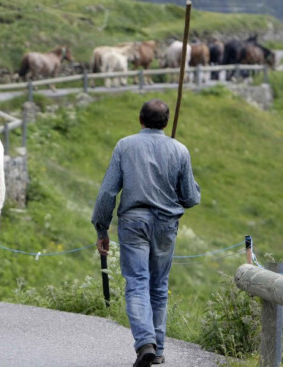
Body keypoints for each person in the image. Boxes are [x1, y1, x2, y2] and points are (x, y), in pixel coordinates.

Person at [91, 99, 201, 367]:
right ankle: (157, 349)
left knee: (137, 283)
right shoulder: (180, 150)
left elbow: (108, 192)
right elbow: (190, 198)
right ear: (165, 123)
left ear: (140, 120)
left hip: (133, 223)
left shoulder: (125, 146)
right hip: (165, 225)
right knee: (159, 286)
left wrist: (102, 228)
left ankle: (145, 344)